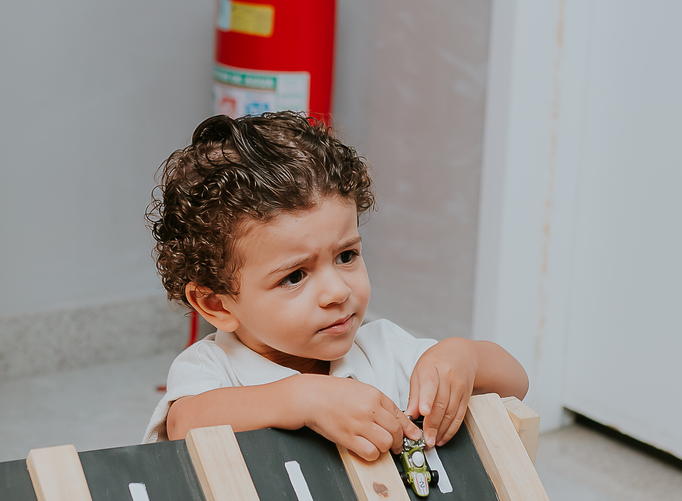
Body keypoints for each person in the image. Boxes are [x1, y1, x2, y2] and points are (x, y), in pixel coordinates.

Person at [143, 112, 528, 457]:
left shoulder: (383, 350)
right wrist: (303, 398)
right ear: (217, 305)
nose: (338, 292)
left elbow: (516, 383)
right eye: (295, 276)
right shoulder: (212, 369)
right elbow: (184, 424)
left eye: (346, 256)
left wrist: (465, 357)